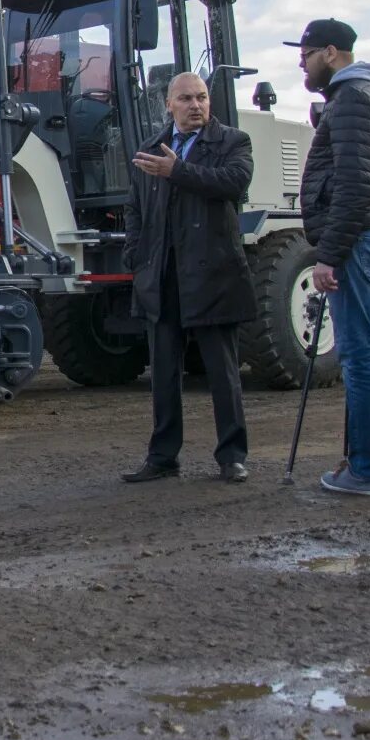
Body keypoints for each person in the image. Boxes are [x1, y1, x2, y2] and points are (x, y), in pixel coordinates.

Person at [287, 18, 370, 497]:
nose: (302, 65)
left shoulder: (353, 100)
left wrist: (329, 254)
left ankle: (365, 471)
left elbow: (355, 186)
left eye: (307, 56)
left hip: (359, 241)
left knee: (358, 362)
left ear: (332, 53)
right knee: (367, 360)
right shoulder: (360, 97)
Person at [120, 71, 258, 485]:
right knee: (163, 374)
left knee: (222, 373)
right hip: (162, 277)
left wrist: (177, 171)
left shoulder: (233, 142)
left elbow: (234, 183)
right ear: (168, 104)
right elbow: (135, 208)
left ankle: (231, 456)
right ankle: (163, 457)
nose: (195, 105)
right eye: (185, 98)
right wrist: (136, 254)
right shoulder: (148, 150)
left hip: (213, 276)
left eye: (201, 97)